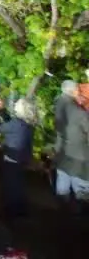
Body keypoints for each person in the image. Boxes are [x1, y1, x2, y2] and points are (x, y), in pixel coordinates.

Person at [0, 95, 36, 218]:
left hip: (12, 158)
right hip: (23, 157)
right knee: (18, 183)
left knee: (10, 185)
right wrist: (1, 110)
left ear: (22, 108)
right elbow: (10, 122)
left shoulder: (17, 124)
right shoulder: (28, 121)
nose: (15, 104)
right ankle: (20, 209)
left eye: (17, 104)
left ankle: (12, 212)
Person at [54, 81, 89, 212]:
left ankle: (61, 213)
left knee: (63, 183)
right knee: (81, 187)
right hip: (79, 156)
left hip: (62, 152)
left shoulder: (59, 104)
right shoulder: (80, 113)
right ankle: (80, 217)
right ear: (74, 91)